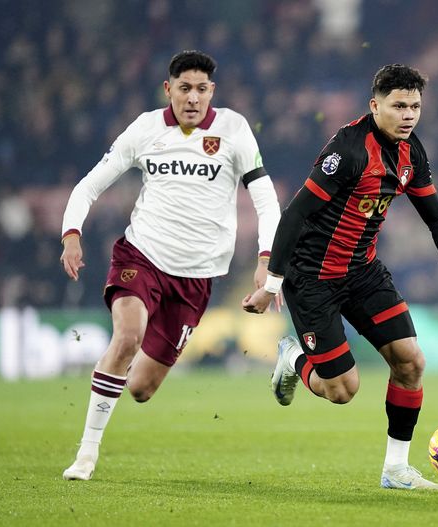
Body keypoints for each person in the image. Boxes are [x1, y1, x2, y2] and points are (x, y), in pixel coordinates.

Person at [242, 64, 438, 490]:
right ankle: (293, 358)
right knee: (342, 390)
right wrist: (272, 285)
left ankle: (395, 470)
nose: (408, 114)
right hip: (313, 276)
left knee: (411, 361)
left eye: (415, 106)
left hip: (362, 271)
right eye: (398, 106)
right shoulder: (348, 150)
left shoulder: (413, 153)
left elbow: (437, 220)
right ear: (375, 106)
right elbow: (295, 215)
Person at [60, 50, 281, 480]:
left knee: (141, 389)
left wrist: (266, 259)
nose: (193, 98)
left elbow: (266, 200)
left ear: (211, 91)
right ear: (169, 90)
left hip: (196, 278)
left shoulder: (234, 129)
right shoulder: (145, 129)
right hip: (141, 255)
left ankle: (109, 378)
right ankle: (87, 452)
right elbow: (90, 185)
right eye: (184, 89)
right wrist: (72, 233)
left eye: (201, 89)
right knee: (127, 337)